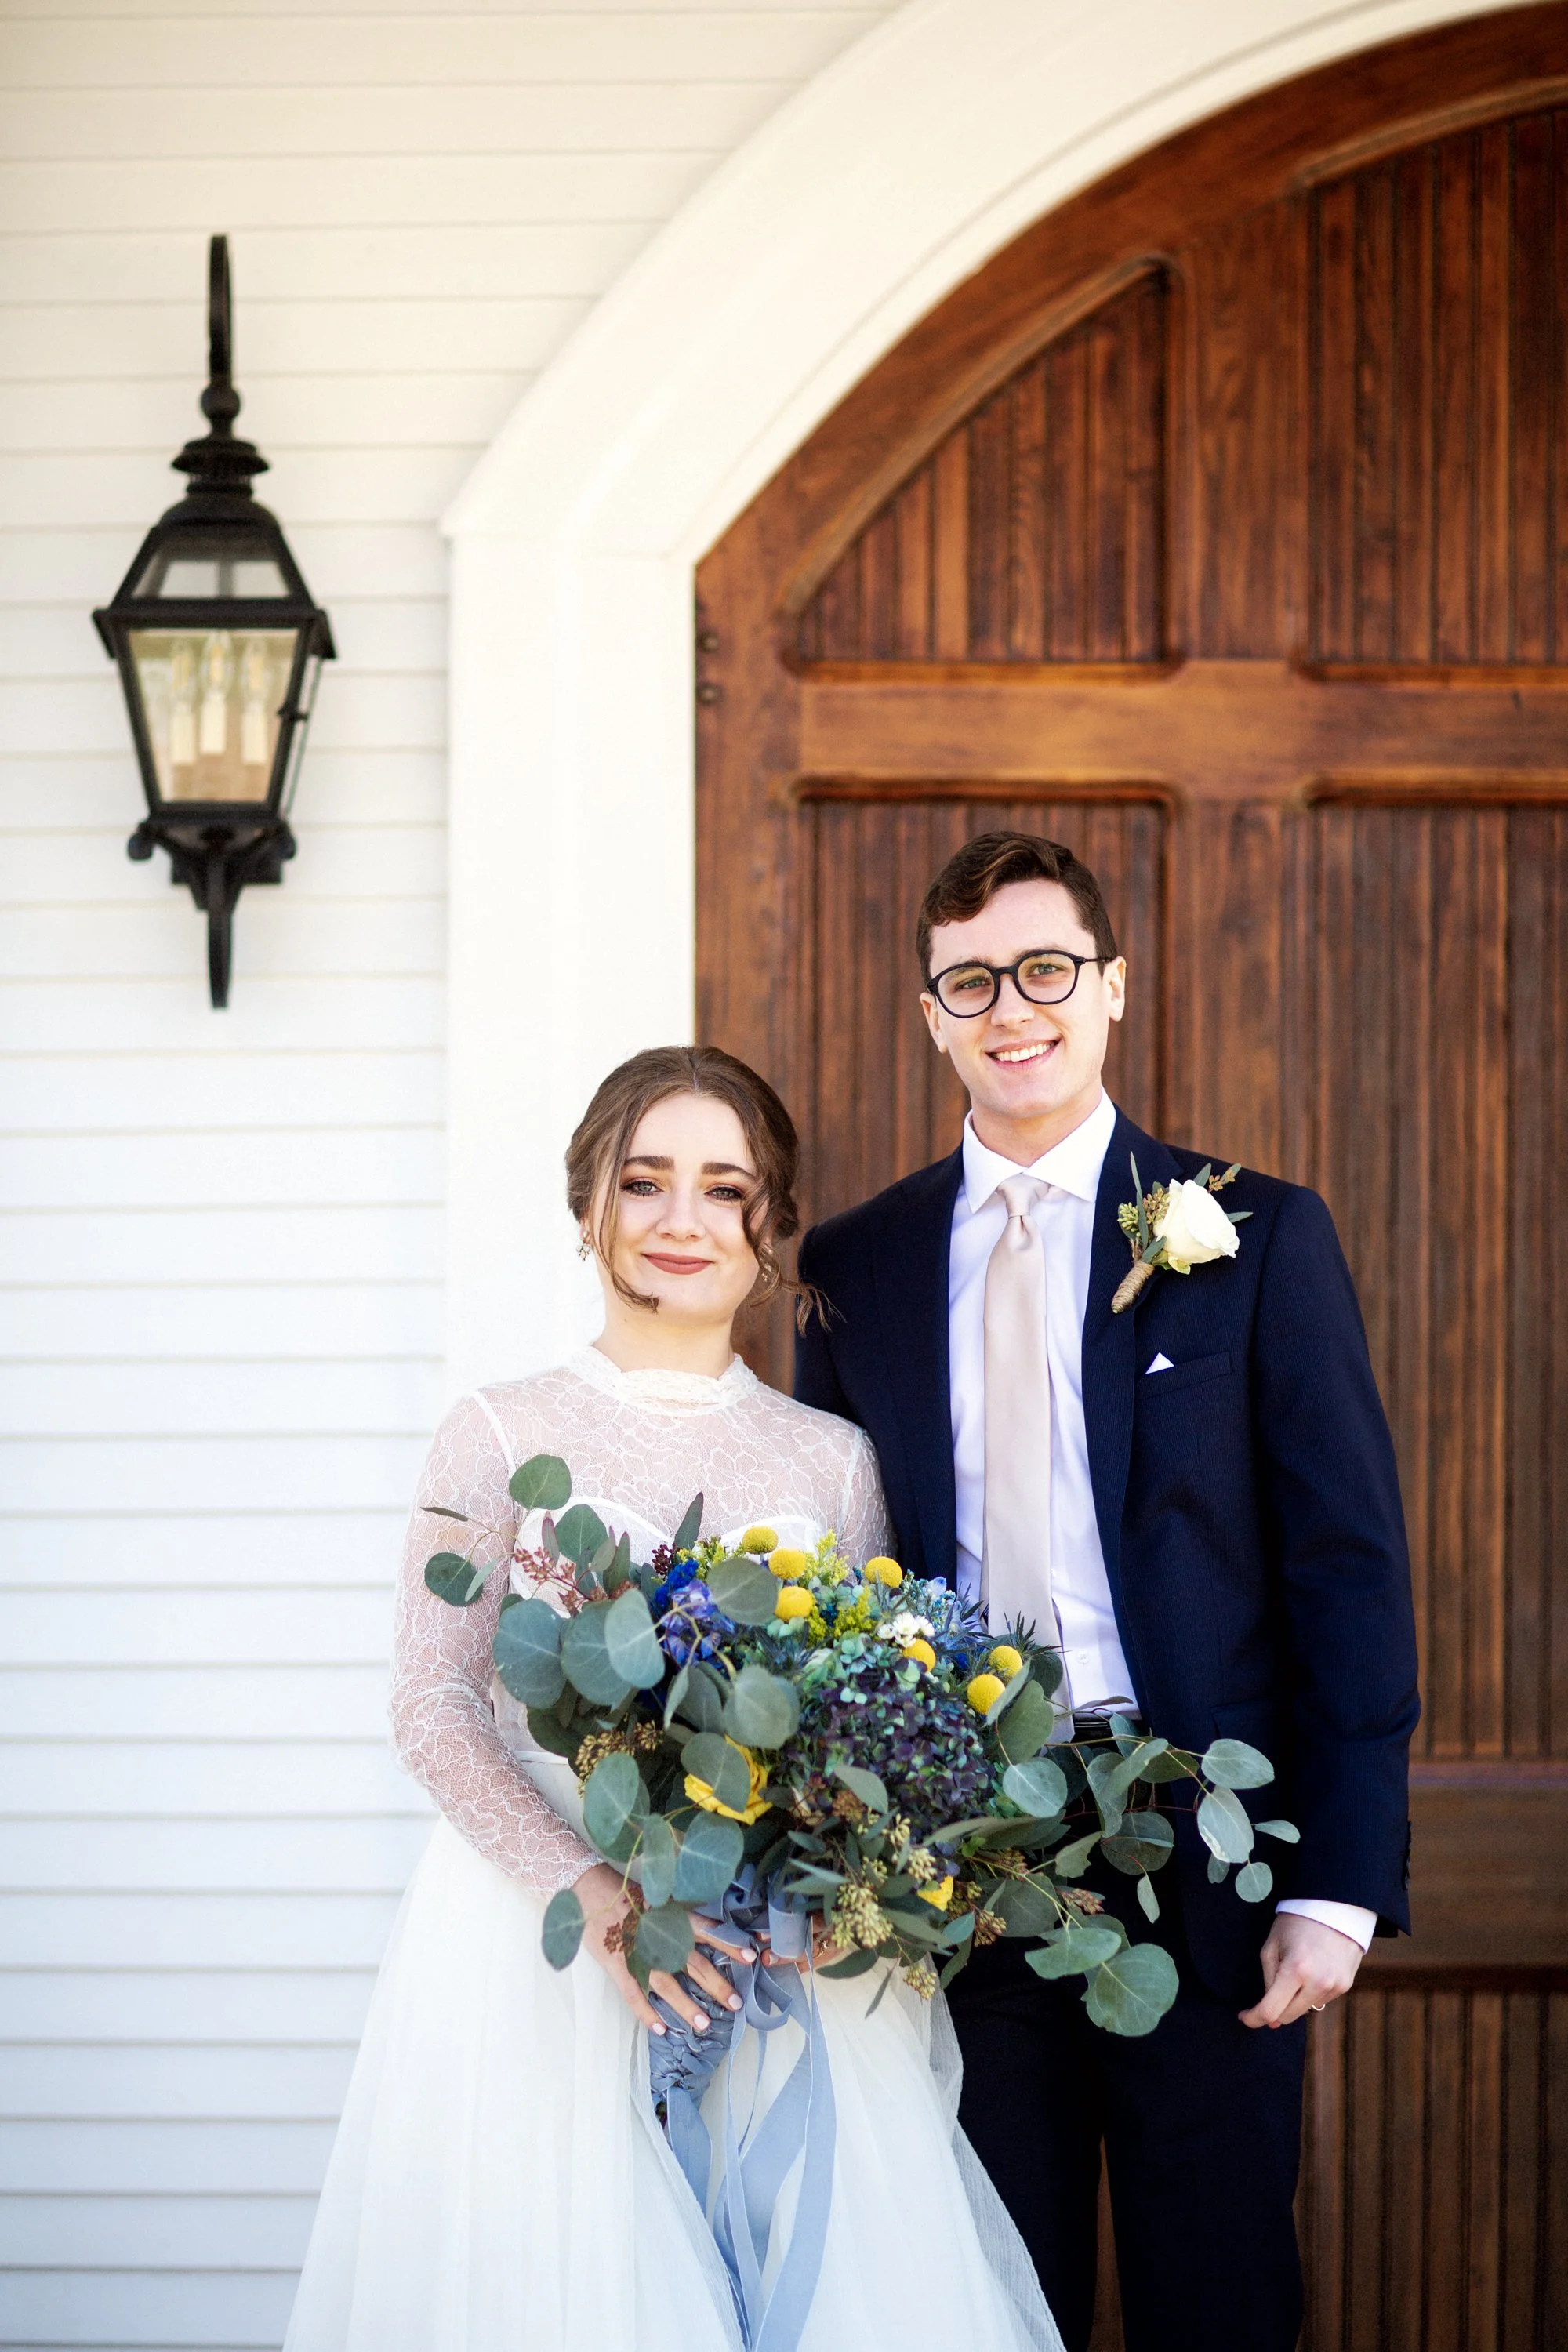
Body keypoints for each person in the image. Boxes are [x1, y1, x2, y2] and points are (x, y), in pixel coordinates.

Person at [283, 1044, 1063, 2352]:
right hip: (543, 1957)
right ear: (589, 1201)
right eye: (645, 1183)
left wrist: (842, 1891)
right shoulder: (495, 1430)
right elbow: (431, 1700)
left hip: (773, 1965)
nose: (682, 1221)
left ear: (774, 1223)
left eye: (723, 1187)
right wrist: (591, 1891)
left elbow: (868, 1710)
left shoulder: (831, 1458)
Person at [794, 832, 1420, 2352]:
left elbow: (1345, 1563)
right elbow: (834, 1580)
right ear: (930, 1010)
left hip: (1207, 1871)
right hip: (959, 1872)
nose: (1013, 1008)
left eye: (1045, 969)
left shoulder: (1256, 1235)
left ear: (1111, 986)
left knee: (1219, 2295)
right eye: (970, 982)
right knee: (997, 2303)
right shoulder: (853, 1268)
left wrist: (1337, 1883)